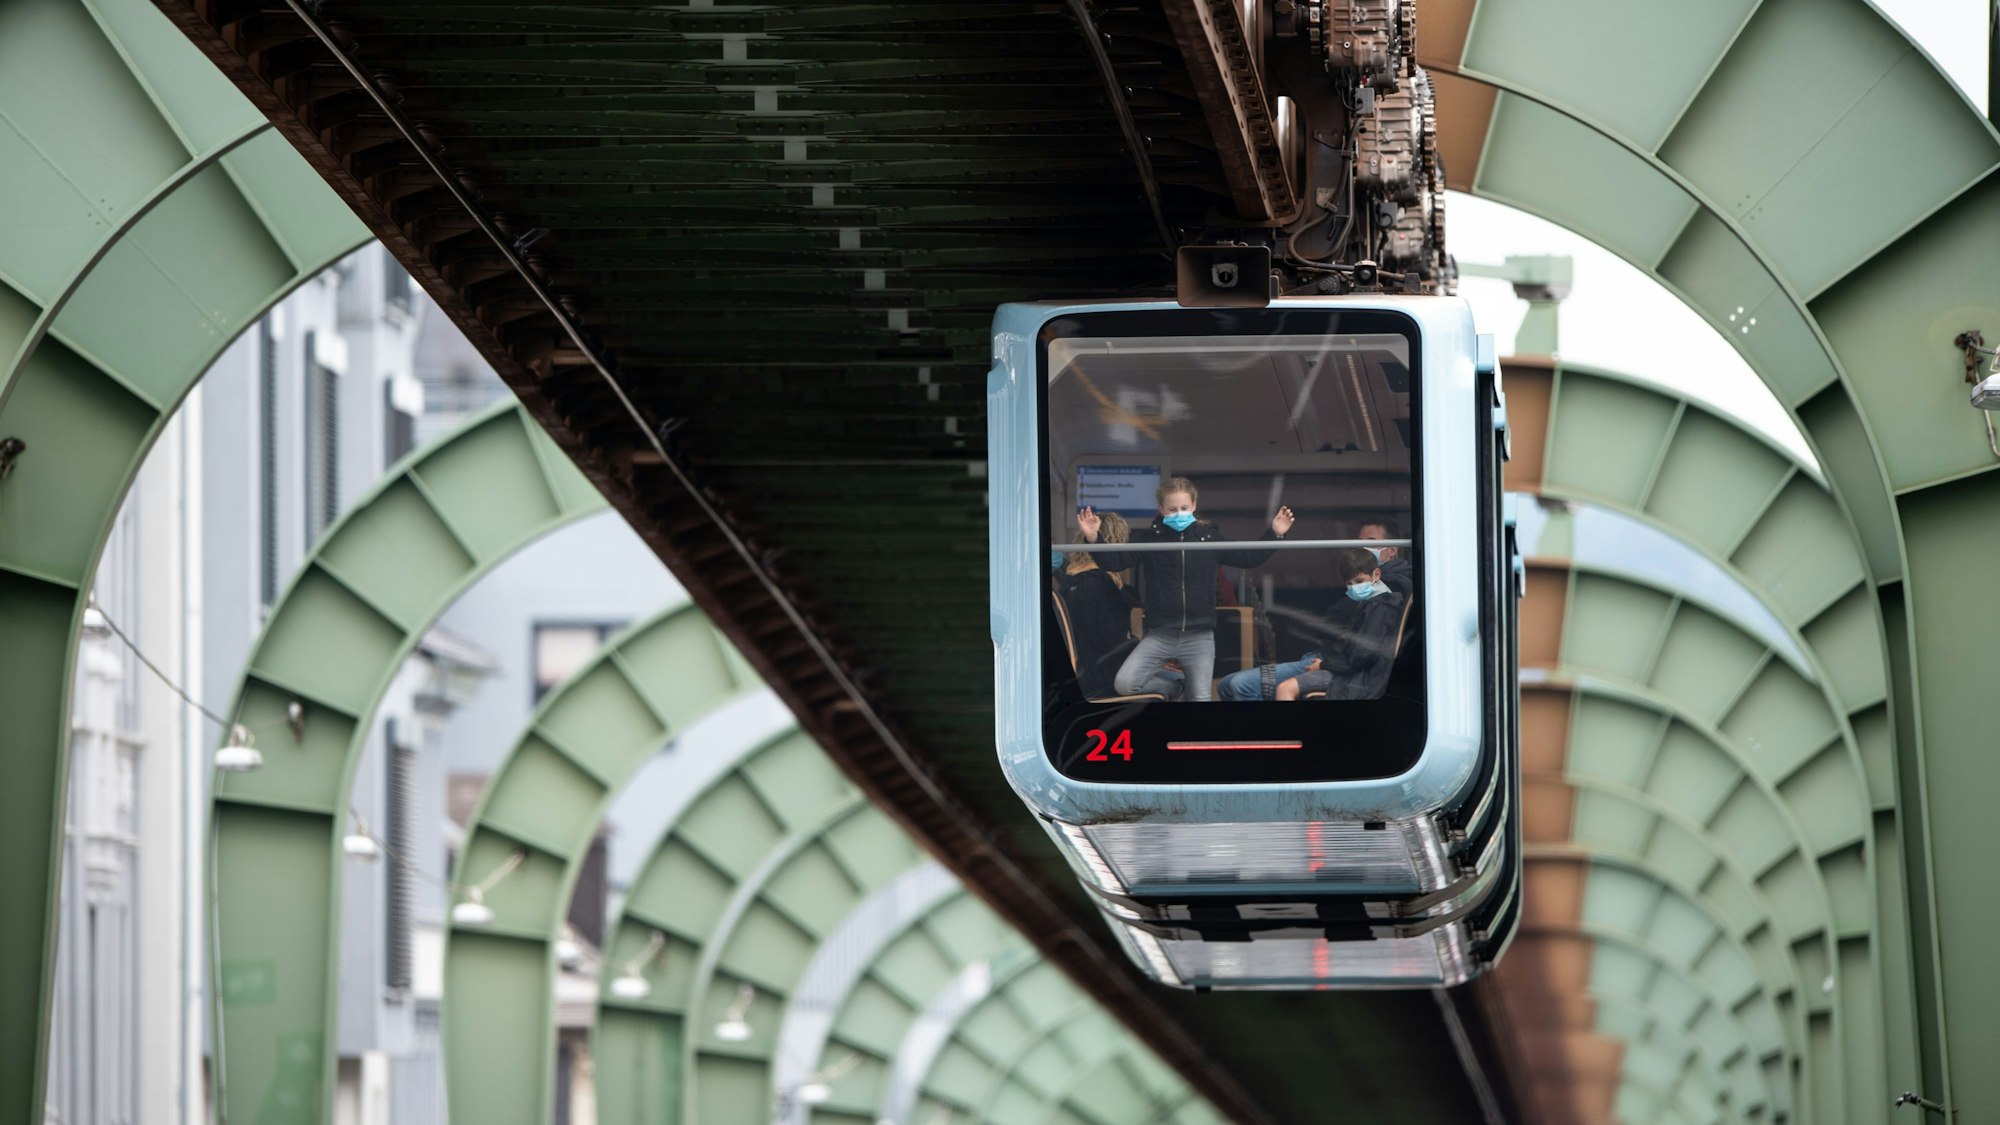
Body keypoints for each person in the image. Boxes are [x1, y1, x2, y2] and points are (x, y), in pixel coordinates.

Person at [1080, 477, 1293, 701]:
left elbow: (1249, 558)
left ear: (1194, 505)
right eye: (1172, 509)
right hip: (1160, 634)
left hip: (1199, 636)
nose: (1179, 513)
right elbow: (1114, 562)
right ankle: (1176, 688)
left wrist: (1275, 533)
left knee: (1200, 700)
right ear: (1161, 509)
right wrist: (1094, 537)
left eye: (1184, 508)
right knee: (1125, 683)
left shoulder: (1209, 539)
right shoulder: (1150, 541)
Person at [1053, 514, 1180, 699]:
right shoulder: (1098, 586)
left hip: (1089, 676)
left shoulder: (1073, 582)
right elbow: (1110, 645)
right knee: (1179, 683)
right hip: (1105, 679)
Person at [1274, 547, 1405, 701]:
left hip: (1361, 678)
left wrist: (1323, 665)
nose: (1354, 588)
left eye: (1359, 581)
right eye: (1349, 584)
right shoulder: (1374, 604)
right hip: (1355, 673)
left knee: (1285, 688)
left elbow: (1362, 656)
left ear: (1376, 575)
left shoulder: (1380, 607)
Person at [1215, 649, 1323, 701]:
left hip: (1323, 662)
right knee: (1225, 685)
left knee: (1242, 684)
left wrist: (1323, 665)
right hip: (1315, 653)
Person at [1359, 519, 1414, 599]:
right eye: (1360, 543)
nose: (1364, 549)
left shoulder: (1395, 583)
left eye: (1371, 543)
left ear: (1392, 550)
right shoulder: (1368, 576)